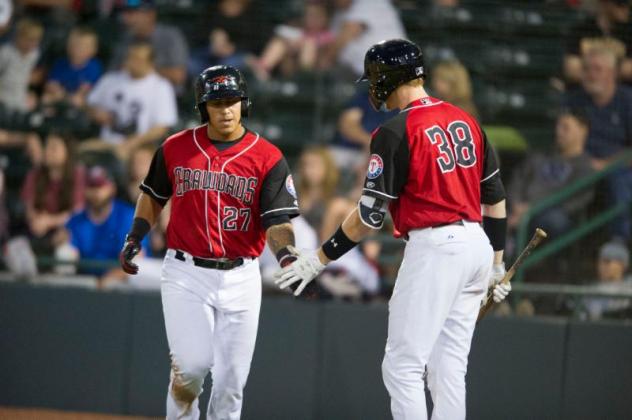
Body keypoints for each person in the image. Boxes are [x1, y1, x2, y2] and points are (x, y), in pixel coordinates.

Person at [275, 39, 511, 419]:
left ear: (388, 78)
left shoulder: (395, 130)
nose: (372, 85)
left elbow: (369, 217)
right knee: (449, 366)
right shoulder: (466, 119)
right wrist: (498, 263)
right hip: (477, 246)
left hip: (437, 247)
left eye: (374, 77)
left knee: (402, 365)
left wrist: (319, 259)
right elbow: (495, 198)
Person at [118, 65, 301, 419]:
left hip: (242, 276)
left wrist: (288, 258)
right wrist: (135, 235)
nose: (226, 110)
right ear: (203, 107)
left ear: (244, 103)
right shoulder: (175, 147)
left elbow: (277, 220)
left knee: (232, 383)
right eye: (217, 103)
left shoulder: (268, 157)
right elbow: (153, 194)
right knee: (191, 367)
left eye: (232, 101)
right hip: (187, 272)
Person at [563, 46, 632, 240]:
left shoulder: (627, 100)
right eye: (586, 69)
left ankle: (618, 243)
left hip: (619, 168)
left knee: (620, 181)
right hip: (579, 165)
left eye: (597, 69)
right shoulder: (574, 100)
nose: (591, 74)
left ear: (613, 73)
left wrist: (606, 165)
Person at [508, 109, 595, 238]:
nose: (558, 132)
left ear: (583, 130)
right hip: (519, 211)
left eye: (565, 128)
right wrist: (515, 204)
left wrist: (532, 209)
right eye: (558, 126)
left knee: (554, 220)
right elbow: (517, 180)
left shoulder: (585, 166)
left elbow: (574, 201)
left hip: (548, 216)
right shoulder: (540, 155)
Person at [86, 41, 178, 159]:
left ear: (150, 63)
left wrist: (133, 142)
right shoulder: (110, 80)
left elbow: (162, 127)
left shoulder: (161, 86)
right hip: (107, 142)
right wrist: (96, 112)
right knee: (81, 151)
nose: (132, 62)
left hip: (140, 147)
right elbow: (89, 105)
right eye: (130, 57)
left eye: (138, 59)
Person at [65, 165, 144, 280]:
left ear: (112, 188)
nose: (96, 192)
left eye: (101, 186)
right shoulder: (76, 220)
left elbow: (137, 260)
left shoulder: (128, 216)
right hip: (86, 284)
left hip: (123, 285)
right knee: (64, 252)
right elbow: (69, 256)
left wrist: (108, 279)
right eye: (92, 186)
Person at [20, 132, 85, 257]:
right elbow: (29, 208)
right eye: (46, 146)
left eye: (53, 148)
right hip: (37, 230)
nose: (47, 151)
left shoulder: (78, 175)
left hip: (68, 230)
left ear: (67, 152)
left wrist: (49, 221)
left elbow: (77, 212)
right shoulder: (34, 174)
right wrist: (36, 221)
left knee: (65, 252)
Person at [109, 0, 189, 89]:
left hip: (166, 96)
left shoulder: (170, 36)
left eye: (132, 13)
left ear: (150, 15)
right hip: (130, 93)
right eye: (125, 13)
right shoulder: (126, 38)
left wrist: (144, 69)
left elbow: (178, 76)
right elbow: (112, 72)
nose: (126, 18)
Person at [564, 0, 632, 85]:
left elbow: (629, 70)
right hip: (584, 91)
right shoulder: (581, 30)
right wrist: (615, 70)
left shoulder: (629, 32)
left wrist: (590, 71)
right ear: (604, 4)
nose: (626, 9)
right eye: (621, 4)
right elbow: (573, 70)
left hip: (622, 92)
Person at [43, 26, 103, 108]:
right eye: (74, 45)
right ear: (68, 46)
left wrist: (66, 96)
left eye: (83, 47)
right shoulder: (61, 63)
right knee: (46, 98)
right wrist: (56, 91)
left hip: (79, 99)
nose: (77, 49)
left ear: (93, 50)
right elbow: (51, 83)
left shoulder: (94, 67)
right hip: (60, 95)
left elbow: (85, 90)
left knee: (77, 101)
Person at [580, 240, 632, 320]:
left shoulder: (629, 287)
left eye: (607, 262)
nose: (602, 266)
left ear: (622, 264)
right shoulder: (590, 289)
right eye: (600, 261)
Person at [0, 18, 44, 112]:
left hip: (20, 97)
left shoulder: (35, 54)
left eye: (35, 41)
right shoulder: (5, 53)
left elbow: (28, 77)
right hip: (3, 96)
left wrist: (30, 93)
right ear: (19, 37)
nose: (31, 44)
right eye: (29, 40)